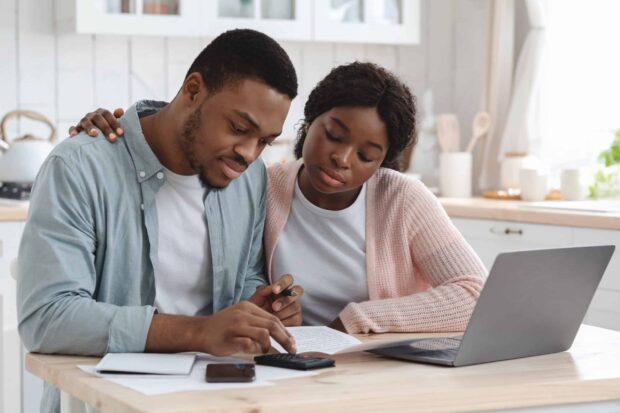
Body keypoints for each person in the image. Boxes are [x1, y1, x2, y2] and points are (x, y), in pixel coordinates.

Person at [72, 62, 487, 335]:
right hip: (286, 370)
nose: (341, 159)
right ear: (310, 120)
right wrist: (123, 127)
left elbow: (474, 293)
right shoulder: (258, 185)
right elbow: (193, 129)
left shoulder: (402, 200)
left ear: (383, 162)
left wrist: (355, 320)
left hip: (377, 373)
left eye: (366, 155)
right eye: (334, 134)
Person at [18, 29, 302, 413]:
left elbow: (245, 274)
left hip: (222, 398)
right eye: (238, 128)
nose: (249, 154)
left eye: (265, 141)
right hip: (107, 403)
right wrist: (199, 332)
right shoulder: (79, 167)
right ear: (193, 90)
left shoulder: (248, 178)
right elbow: (47, 318)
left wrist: (259, 309)